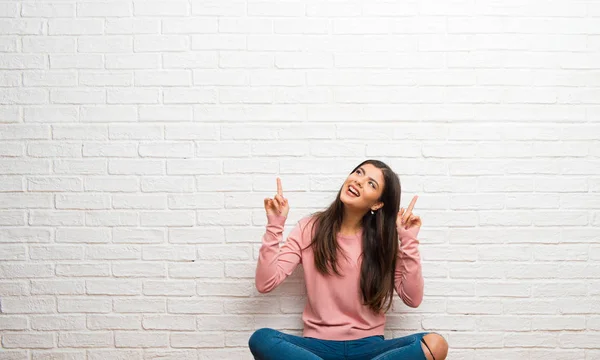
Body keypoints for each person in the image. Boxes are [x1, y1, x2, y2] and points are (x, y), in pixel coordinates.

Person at [248, 159, 448, 360]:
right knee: (262, 338)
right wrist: (275, 225)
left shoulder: (384, 241)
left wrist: (408, 239)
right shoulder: (308, 228)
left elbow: (412, 298)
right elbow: (265, 283)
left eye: (372, 183)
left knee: (435, 345)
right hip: (316, 349)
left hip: (370, 348)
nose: (359, 181)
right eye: (359, 173)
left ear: (378, 203)